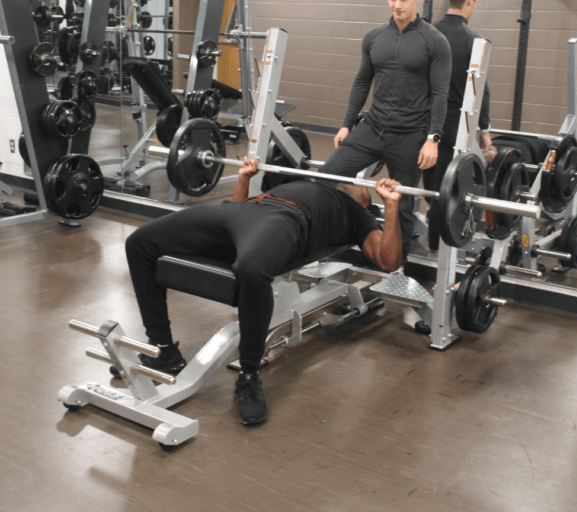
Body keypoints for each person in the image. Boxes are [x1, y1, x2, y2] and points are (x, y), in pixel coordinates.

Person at [120, 159, 404, 426]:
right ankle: (164, 351)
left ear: (365, 200)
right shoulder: (308, 181)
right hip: (246, 210)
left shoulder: (359, 217)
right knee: (139, 242)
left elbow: (388, 260)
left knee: (252, 269)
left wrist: (390, 206)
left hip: (286, 219)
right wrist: (244, 179)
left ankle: (248, 376)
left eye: (359, 184)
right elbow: (238, 223)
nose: (353, 181)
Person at [318, 0, 451, 263]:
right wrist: (345, 125)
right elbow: (362, 81)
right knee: (326, 177)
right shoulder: (374, 37)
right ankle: (345, 231)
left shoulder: (434, 41)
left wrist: (433, 138)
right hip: (373, 126)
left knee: (401, 206)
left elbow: (441, 93)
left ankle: (395, 266)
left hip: (410, 135)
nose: (397, 5)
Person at [422, 0, 492, 252]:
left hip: (424, 122)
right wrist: (484, 129)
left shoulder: (425, 32)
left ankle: (430, 242)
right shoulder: (474, 39)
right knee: (450, 187)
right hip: (454, 124)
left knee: (430, 185)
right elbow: (482, 90)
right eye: (475, 3)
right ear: (469, 1)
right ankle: (444, 247)